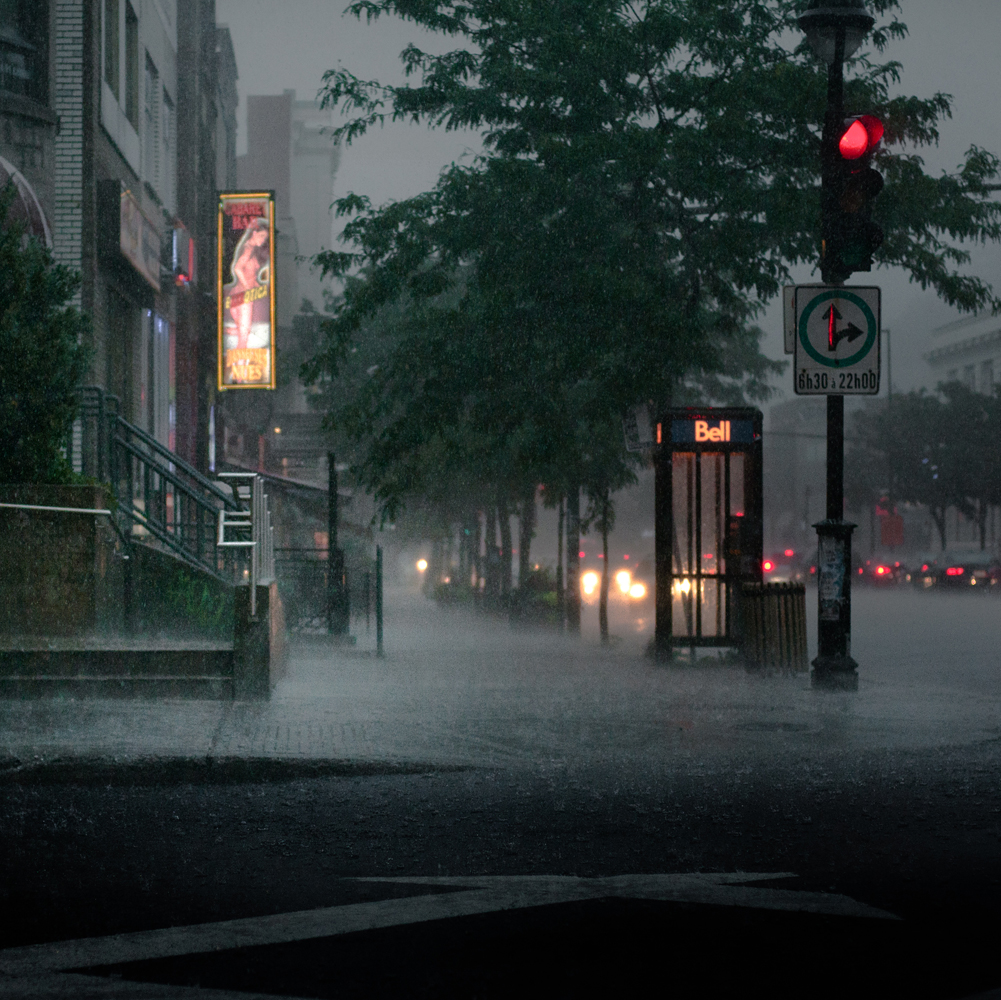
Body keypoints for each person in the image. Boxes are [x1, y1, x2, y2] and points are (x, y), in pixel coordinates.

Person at [225, 215, 270, 350]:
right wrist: (248, 290)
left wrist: (256, 286)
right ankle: (240, 369)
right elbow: (237, 268)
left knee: (243, 332)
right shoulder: (249, 248)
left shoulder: (251, 249)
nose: (263, 240)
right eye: (261, 236)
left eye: (265, 238)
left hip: (238, 297)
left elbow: (249, 275)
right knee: (243, 342)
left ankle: (228, 331)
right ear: (254, 233)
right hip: (243, 299)